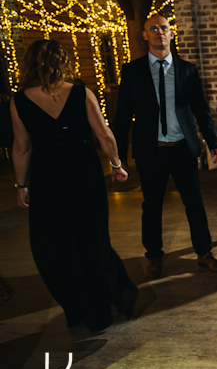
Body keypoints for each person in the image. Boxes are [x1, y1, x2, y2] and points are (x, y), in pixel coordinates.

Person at [11, 40, 137, 331]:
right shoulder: (81, 93)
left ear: (30, 64)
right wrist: (116, 164)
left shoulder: (19, 101)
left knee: (57, 244)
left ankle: (84, 307)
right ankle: (109, 298)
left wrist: (21, 185)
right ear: (62, 62)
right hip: (84, 172)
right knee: (93, 238)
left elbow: (22, 147)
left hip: (47, 177)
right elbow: (104, 134)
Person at [114, 14, 217, 280]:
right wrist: (118, 156)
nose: (159, 32)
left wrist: (213, 142)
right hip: (150, 151)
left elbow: (201, 109)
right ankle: (153, 256)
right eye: (153, 28)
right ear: (145, 35)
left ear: (171, 34)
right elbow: (123, 115)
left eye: (163, 28)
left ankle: (204, 252)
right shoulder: (132, 71)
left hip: (182, 148)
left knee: (194, 203)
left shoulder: (188, 70)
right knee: (151, 206)